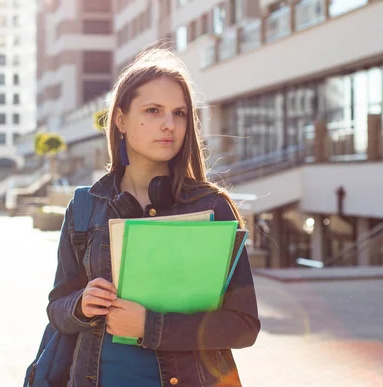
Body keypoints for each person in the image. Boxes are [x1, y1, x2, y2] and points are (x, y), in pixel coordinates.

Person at [47, 46, 260, 387]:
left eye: (179, 113)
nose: (168, 124)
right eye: (153, 110)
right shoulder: (85, 206)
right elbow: (57, 307)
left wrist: (151, 327)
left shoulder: (212, 207)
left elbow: (243, 325)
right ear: (120, 119)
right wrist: (81, 304)